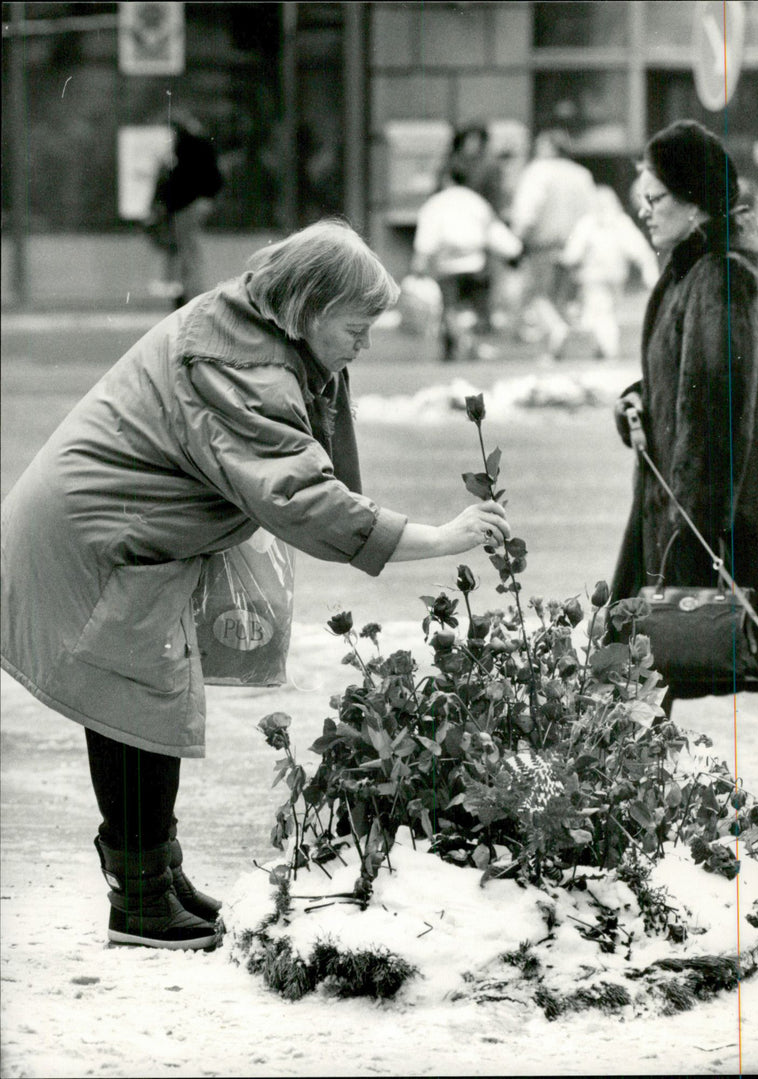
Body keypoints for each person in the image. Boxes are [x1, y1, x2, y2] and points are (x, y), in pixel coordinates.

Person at [0, 220, 511, 951]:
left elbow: (316, 462)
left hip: (123, 531)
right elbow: (302, 495)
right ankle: (139, 899)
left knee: (148, 699)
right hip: (100, 540)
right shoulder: (241, 365)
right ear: (308, 306)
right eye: (357, 327)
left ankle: (154, 873)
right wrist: (435, 538)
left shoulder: (258, 333)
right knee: (137, 704)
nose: (365, 343)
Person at [611, 120, 758, 712]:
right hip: (696, 511)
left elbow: (715, 427)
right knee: (632, 679)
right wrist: (638, 402)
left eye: (655, 198)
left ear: (693, 201)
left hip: (718, 522)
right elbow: (688, 382)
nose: (644, 211)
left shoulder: (722, 278)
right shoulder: (699, 270)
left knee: (633, 671)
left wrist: (681, 556)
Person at [412, 161, 523, 361]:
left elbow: (427, 237)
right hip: (476, 264)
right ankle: (471, 343)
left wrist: (419, 263)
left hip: (448, 266)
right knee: (477, 310)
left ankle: (457, 344)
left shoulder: (437, 203)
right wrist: (513, 251)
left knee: (450, 309)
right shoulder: (476, 201)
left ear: (446, 179)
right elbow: (494, 231)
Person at [508, 128, 596, 354]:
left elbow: (528, 210)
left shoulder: (538, 171)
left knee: (537, 294)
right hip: (573, 245)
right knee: (559, 298)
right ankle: (555, 348)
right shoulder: (582, 174)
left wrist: (516, 239)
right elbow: (591, 212)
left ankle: (556, 332)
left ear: (549, 147)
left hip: (542, 244)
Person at [559, 185, 659, 360]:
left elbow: (572, 254)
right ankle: (603, 346)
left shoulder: (588, 223)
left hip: (592, 278)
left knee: (596, 314)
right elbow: (640, 250)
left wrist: (565, 261)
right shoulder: (620, 222)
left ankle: (603, 348)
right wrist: (648, 273)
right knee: (604, 313)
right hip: (613, 277)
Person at [147, 110, 224, 308]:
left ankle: (191, 294)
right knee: (186, 250)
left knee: (188, 250)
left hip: (187, 204)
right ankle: (187, 291)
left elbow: (191, 178)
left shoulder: (190, 145)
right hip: (187, 204)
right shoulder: (192, 144)